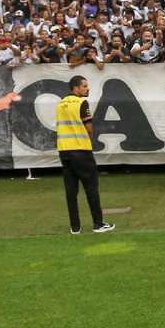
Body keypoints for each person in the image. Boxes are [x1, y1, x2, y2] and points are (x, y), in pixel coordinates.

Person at [55, 76, 114, 234]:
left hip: (64, 151)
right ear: (76, 88)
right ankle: (98, 224)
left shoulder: (60, 103)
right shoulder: (82, 103)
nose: (87, 89)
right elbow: (88, 128)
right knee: (91, 188)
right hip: (81, 151)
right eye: (85, 86)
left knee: (71, 190)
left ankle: (75, 227)